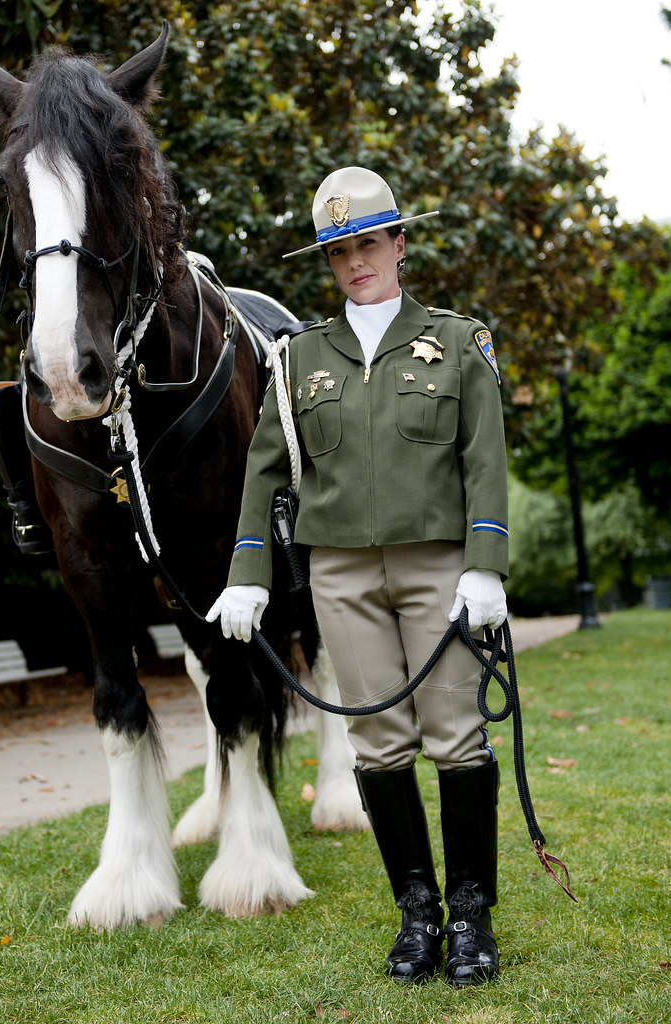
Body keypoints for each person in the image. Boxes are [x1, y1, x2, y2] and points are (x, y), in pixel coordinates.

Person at [207, 166, 509, 986]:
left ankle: (472, 917)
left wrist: (486, 565)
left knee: (454, 737)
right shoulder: (297, 356)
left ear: (400, 243)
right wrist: (249, 575)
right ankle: (417, 915)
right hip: (339, 572)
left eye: (369, 242)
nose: (355, 262)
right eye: (339, 250)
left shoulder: (455, 342)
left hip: (438, 567)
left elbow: (484, 463)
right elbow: (263, 470)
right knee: (376, 744)